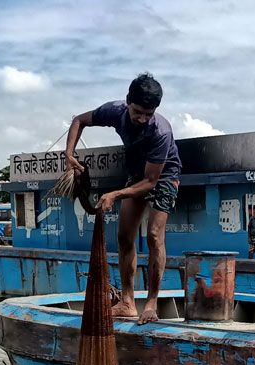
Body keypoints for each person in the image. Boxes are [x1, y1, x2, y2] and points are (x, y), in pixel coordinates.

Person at [64, 73, 182, 324]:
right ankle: (127, 302)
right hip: (137, 173)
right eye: (138, 111)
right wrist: (69, 153)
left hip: (163, 176)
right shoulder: (114, 111)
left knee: (153, 235)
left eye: (148, 114)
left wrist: (116, 194)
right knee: (124, 236)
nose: (142, 118)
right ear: (128, 101)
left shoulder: (161, 132)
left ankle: (150, 304)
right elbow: (79, 120)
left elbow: (151, 181)